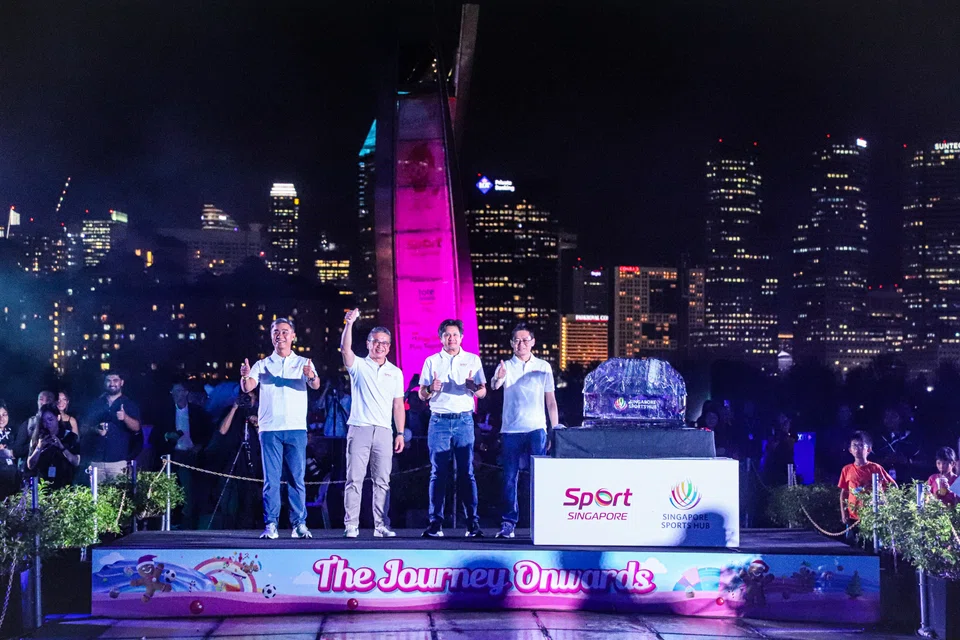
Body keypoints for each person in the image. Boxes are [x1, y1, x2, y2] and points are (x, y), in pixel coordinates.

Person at [240, 317, 320, 540]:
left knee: (297, 478)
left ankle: (299, 524)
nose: (280, 335)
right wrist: (245, 376)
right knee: (271, 480)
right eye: (276, 331)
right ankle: (271, 524)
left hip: (296, 429)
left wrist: (310, 375)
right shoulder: (262, 364)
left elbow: (315, 384)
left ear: (293, 336)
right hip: (270, 429)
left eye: (285, 332)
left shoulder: (303, 362)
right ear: (271, 336)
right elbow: (248, 386)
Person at [489, 323, 559, 539]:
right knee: (509, 477)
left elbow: (551, 401)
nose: (521, 344)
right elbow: (494, 385)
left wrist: (554, 429)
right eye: (517, 340)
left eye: (525, 339)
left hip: (537, 429)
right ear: (512, 343)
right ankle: (509, 523)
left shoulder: (543, 366)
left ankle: (541, 522)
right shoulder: (505, 366)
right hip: (511, 429)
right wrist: (499, 376)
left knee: (539, 477)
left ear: (533, 342)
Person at [340, 308, 405, 538]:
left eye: (385, 343)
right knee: (354, 479)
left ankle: (381, 525)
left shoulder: (395, 372)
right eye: (376, 342)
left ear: (389, 346)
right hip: (359, 428)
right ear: (368, 344)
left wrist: (400, 433)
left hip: (385, 431)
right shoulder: (358, 365)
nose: (380, 346)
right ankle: (351, 524)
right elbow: (345, 349)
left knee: (382, 481)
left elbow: (398, 405)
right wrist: (350, 323)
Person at [418, 319, 487, 538]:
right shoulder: (431, 361)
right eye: (447, 335)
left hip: (464, 420)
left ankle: (472, 524)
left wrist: (473, 387)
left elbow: (483, 392)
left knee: (466, 472)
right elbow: (421, 394)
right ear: (441, 338)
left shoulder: (472, 360)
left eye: (455, 335)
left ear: (461, 337)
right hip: (438, 420)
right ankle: (435, 523)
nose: (451, 338)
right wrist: (431, 388)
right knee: (438, 473)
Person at [150, 382, 214, 529]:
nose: (176, 394)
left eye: (179, 391)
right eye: (174, 392)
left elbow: (208, 432)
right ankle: (175, 520)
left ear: (186, 392)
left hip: (192, 455)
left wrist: (200, 445)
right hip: (172, 455)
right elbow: (154, 437)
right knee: (174, 488)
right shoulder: (165, 413)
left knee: (191, 490)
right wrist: (167, 435)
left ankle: (190, 520)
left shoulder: (197, 412)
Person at [83, 373, 142, 481]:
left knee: (118, 496)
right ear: (104, 383)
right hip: (96, 461)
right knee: (96, 497)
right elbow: (84, 426)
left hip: (118, 461)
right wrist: (95, 429)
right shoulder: (96, 403)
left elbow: (137, 427)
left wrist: (125, 417)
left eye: (115, 380)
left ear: (122, 382)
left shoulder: (128, 404)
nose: (112, 383)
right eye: (108, 380)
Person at [838, 431, 896, 527]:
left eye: (861, 445)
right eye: (854, 446)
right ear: (850, 450)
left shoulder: (875, 468)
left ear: (868, 449)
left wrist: (884, 502)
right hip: (853, 517)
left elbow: (892, 486)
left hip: (872, 516)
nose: (857, 449)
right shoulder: (846, 470)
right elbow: (844, 493)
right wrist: (844, 514)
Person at [26, 404, 80, 491]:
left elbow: (76, 462)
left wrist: (61, 447)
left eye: (50, 420)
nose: (47, 424)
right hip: (43, 485)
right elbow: (30, 465)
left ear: (58, 418)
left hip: (65, 485)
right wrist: (39, 448)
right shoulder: (37, 437)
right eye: (43, 421)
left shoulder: (70, 437)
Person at [12, 390, 56, 461]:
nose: (44, 402)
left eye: (48, 400)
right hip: (33, 469)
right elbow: (17, 450)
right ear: (37, 402)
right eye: (41, 399)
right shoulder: (29, 423)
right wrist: (37, 444)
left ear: (54, 403)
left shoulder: (60, 423)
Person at [0, 400, 18, 497]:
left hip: (12, 475)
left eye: (4, 414)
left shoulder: (12, 433)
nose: (1, 418)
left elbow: (17, 452)